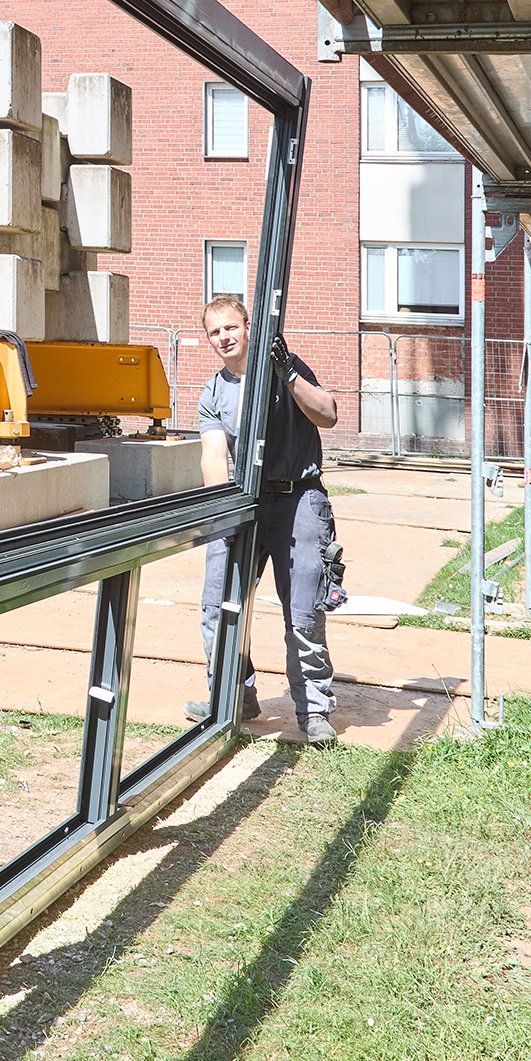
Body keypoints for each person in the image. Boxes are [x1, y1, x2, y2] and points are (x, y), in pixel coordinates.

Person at [189, 293, 341, 745]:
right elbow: (213, 456)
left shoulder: (286, 368)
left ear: (248, 327)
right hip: (246, 501)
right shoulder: (213, 392)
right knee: (218, 603)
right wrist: (222, 512)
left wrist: (288, 374)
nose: (223, 337)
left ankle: (314, 710)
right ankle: (233, 697)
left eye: (230, 327)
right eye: (214, 332)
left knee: (303, 611)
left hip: (299, 499)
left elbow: (328, 415)